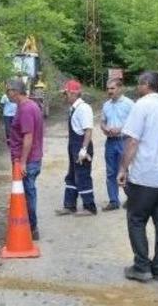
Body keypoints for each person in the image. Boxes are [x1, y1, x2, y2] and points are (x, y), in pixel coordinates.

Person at [117, 71, 158, 284]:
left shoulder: (141, 106)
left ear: (146, 84)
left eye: (139, 83)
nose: (137, 87)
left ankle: (142, 267)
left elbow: (133, 142)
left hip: (145, 176)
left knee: (136, 219)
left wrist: (123, 169)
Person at [6, 78, 44, 240]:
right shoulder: (26, 106)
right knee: (27, 192)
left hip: (28, 161)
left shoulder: (26, 109)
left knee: (28, 193)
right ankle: (29, 226)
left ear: (15, 92)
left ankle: (32, 228)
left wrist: (22, 162)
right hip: (29, 159)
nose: (7, 93)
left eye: (8, 90)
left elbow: (28, 136)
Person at [55, 79, 98, 216]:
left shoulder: (83, 108)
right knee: (72, 176)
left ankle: (90, 207)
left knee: (83, 176)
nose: (64, 96)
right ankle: (70, 205)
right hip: (73, 147)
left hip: (81, 147)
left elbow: (88, 130)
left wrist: (83, 150)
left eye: (66, 93)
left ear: (73, 93)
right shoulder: (73, 108)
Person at [100, 78, 134, 211]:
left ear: (120, 89)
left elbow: (135, 123)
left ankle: (131, 198)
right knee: (110, 171)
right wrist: (104, 128)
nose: (109, 91)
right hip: (110, 142)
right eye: (108, 89)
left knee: (124, 170)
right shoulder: (106, 105)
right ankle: (113, 201)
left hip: (124, 141)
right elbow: (102, 121)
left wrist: (120, 129)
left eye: (112, 88)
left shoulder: (129, 104)